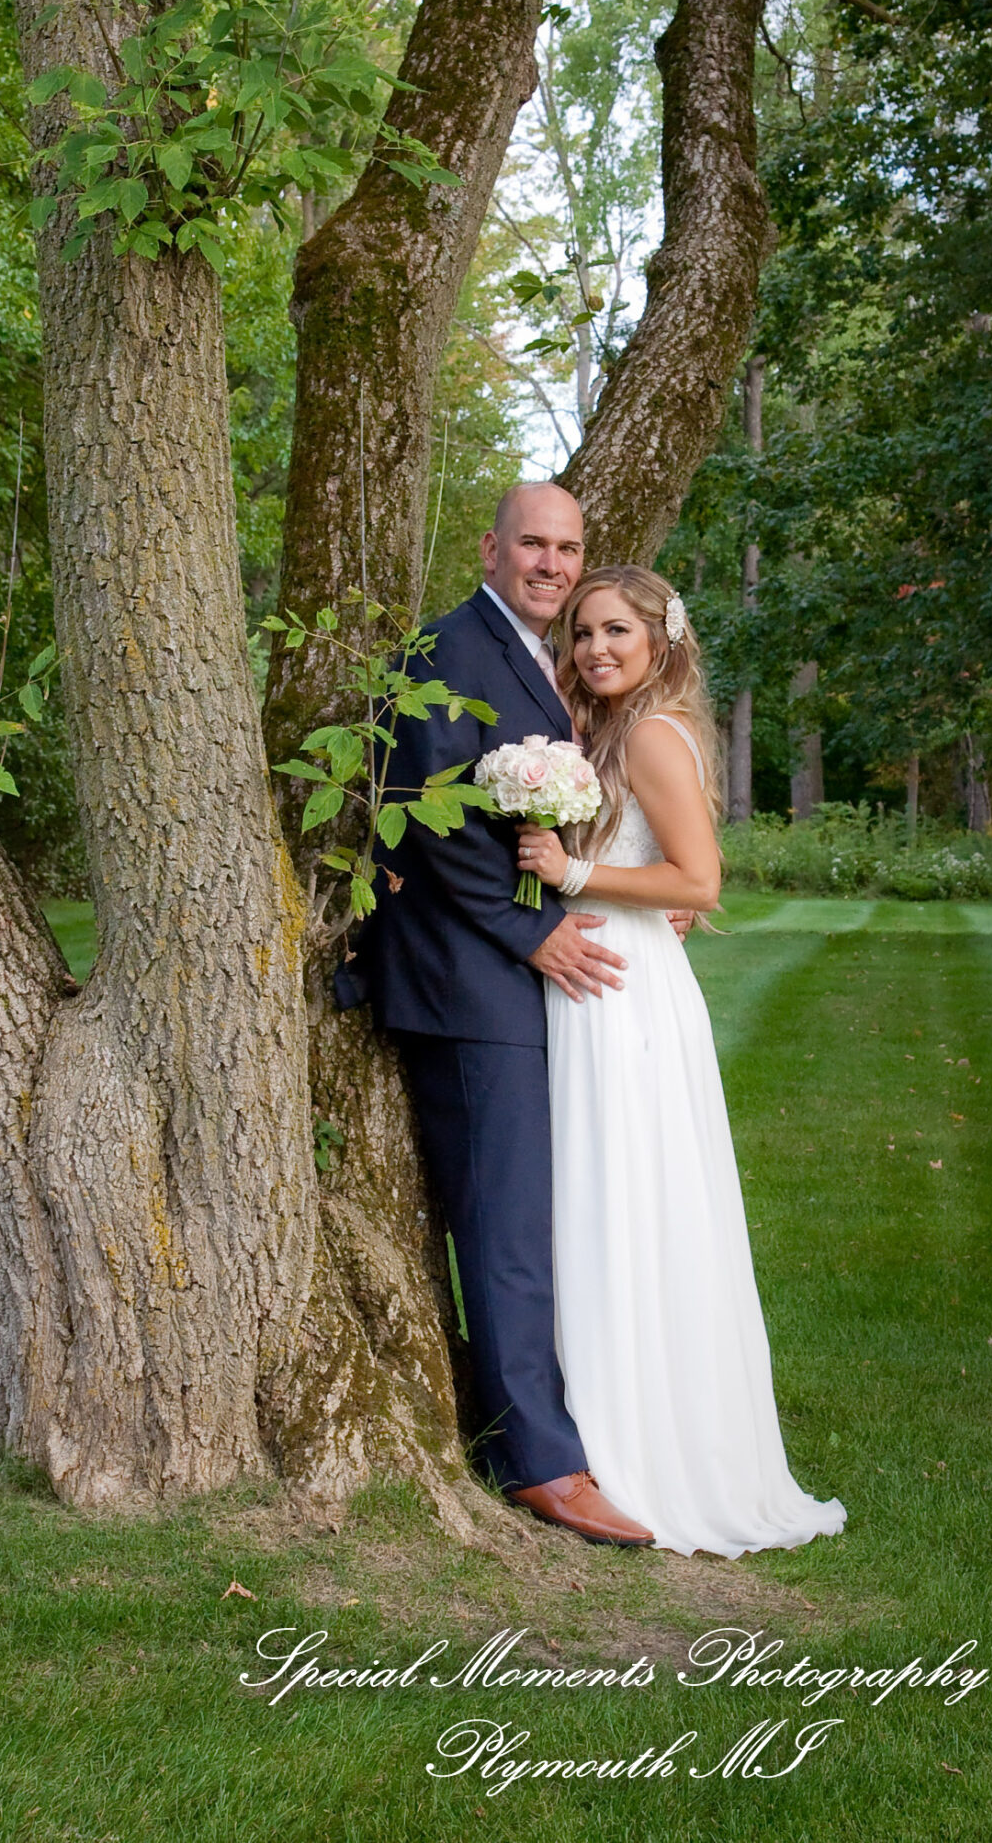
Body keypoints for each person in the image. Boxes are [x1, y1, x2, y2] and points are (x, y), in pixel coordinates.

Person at [336, 483, 656, 1545]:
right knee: (506, 1222)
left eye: (568, 547)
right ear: (492, 546)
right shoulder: (445, 648)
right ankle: (539, 1464)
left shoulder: (535, 658)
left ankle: (539, 1421)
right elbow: (422, 816)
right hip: (464, 985)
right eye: (534, 543)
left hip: (507, 980)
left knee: (529, 1211)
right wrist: (530, 934)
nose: (553, 563)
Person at [516, 564, 847, 1559]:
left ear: (662, 640)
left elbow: (696, 874)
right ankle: (596, 1419)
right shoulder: (597, 732)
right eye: (580, 632)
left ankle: (646, 1447)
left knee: (631, 1196)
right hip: (591, 981)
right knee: (593, 1199)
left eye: (615, 630)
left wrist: (573, 871)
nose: (594, 648)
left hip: (626, 996)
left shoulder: (654, 733)